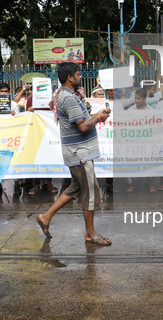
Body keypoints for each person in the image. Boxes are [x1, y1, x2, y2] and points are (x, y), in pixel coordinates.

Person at [36, 62, 112, 245]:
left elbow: (81, 119)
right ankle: (90, 233)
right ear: (70, 77)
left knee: (76, 188)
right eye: (78, 74)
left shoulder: (68, 95)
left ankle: (45, 217)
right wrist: (98, 118)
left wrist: (96, 115)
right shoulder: (68, 98)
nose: (80, 77)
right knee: (90, 192)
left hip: (77, 153)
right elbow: (83, 126)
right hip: (81, 154)